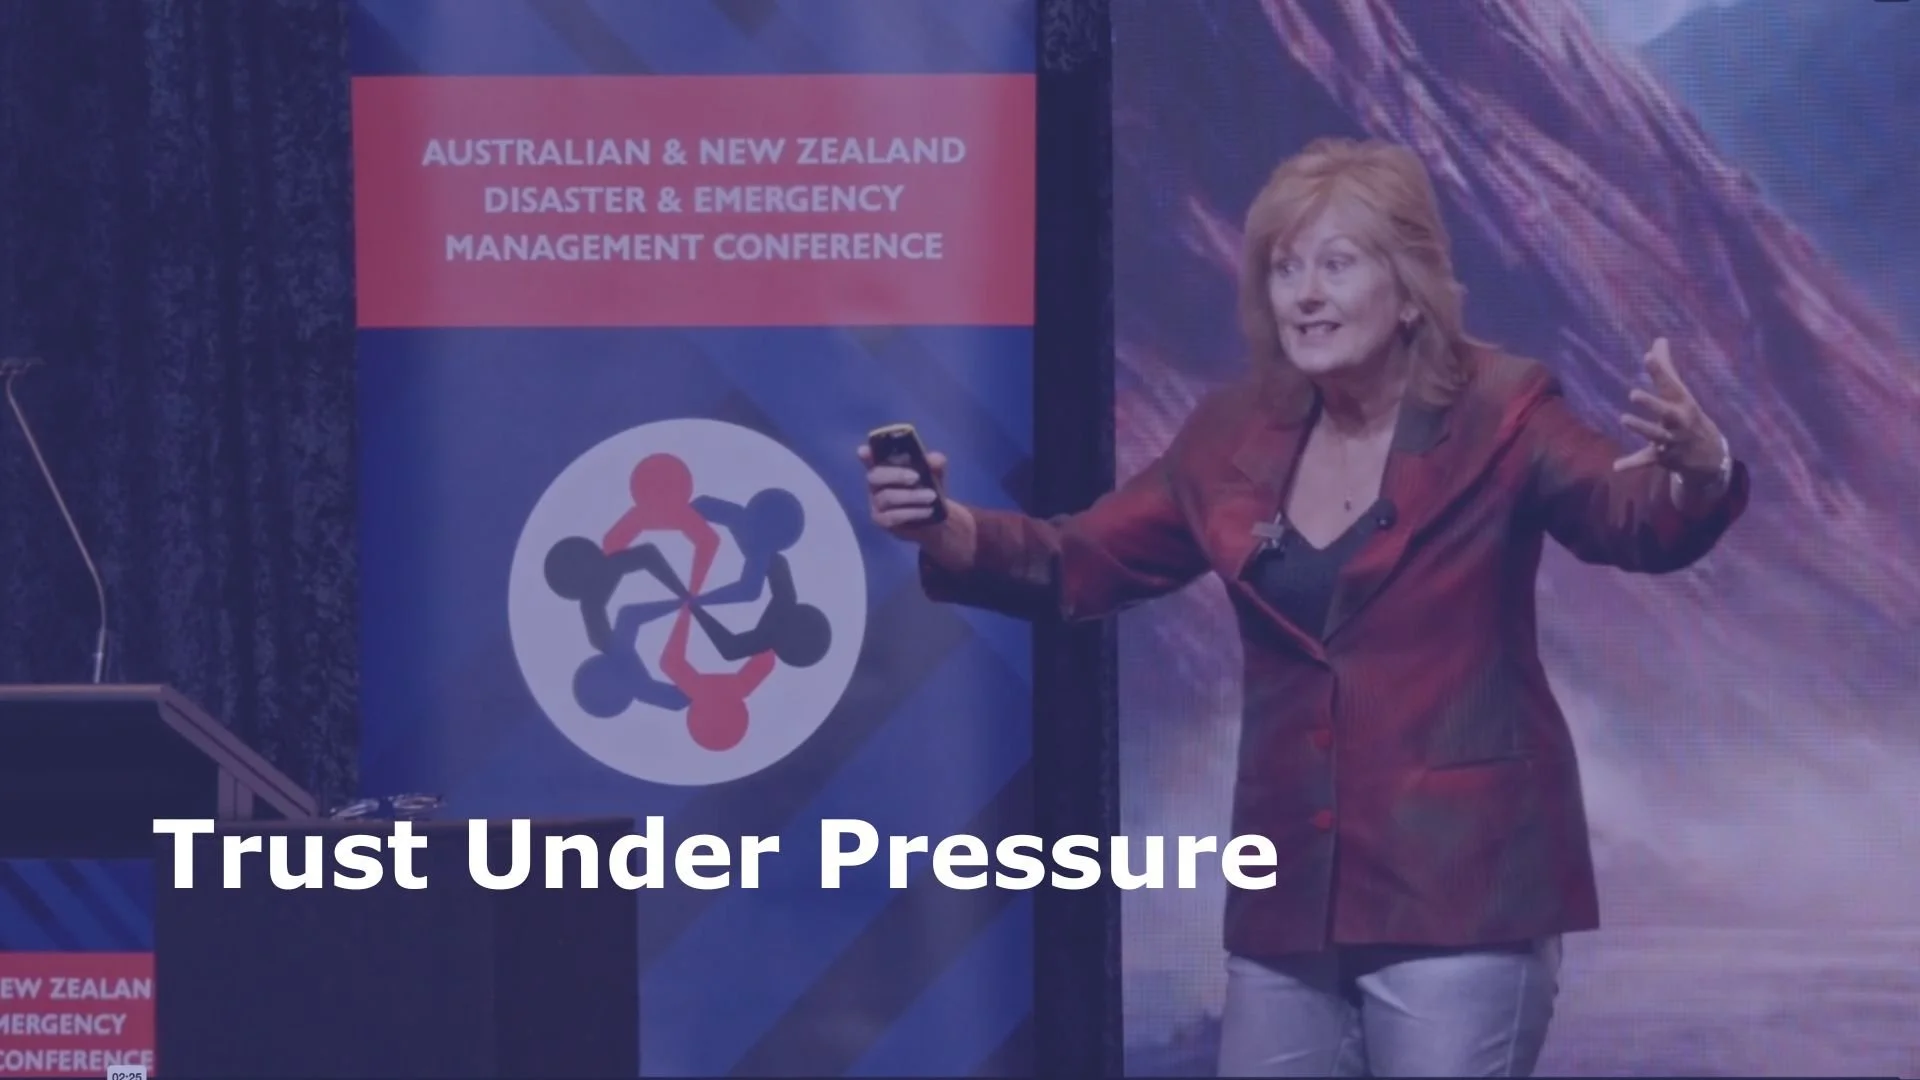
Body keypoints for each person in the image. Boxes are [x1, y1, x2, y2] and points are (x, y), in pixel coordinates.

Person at [856, 138, 1748, 1078]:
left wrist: (1701, 473)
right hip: (1288, 903)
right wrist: (949, 530)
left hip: (1462, 892)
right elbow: (1078, 560)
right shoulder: (1232, 436)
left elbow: (1628, 516)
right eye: (1284, 269)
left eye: (1336, 263)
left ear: (1409, 292)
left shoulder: (1501, 408)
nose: (1305, 294)